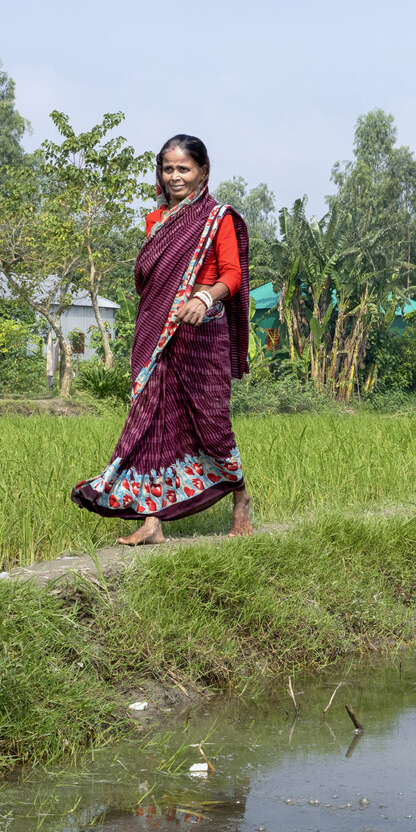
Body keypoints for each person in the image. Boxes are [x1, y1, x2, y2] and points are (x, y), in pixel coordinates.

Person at [72, 134, 254, 542]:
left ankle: (240, 496)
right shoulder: (157, 221)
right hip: (157, 335)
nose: (175, 177)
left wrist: (205, 297)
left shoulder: (218, 218)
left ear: (203, 171)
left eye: (183, 169)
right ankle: (152, 521)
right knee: (154, 423)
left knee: (211, 422)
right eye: (168, 169)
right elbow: (152, 282)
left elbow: (233, 275)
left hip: (203, 336)